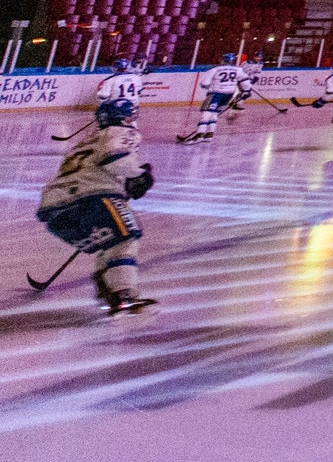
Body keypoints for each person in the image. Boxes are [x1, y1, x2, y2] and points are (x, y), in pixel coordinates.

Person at [37, 97, 154, 314]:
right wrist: (138, 176)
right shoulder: (123, 132)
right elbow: (115, 157)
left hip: (53, 209)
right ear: (125, 117)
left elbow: (93, 170)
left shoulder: (84, 143)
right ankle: (123, 295)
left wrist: (126, 185)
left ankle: (109, 295)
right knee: (126, 239)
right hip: (92, 199)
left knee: (109, 244)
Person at [180, 52, 244, 144]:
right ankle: (209, 134)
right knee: (214, 113)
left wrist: (210, 86)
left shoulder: (215, 69)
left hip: (215, 94)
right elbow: (242, 83)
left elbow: (204, 84)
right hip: (228, 95)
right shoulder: (237, 70)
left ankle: (200, 134)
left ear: (224, 60)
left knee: (206, 113)